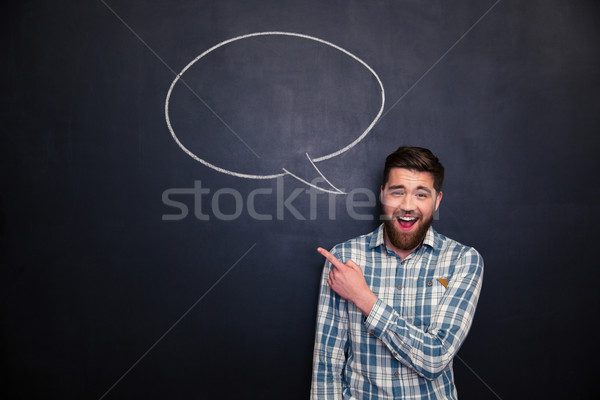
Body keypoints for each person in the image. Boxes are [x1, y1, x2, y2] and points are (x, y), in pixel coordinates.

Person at [310, 146, 484, 399]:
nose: (407, 205)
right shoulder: (344, 259)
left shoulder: (463, 261)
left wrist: (363, 297)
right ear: (382, 195)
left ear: (437, 201)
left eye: (421, 194)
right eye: (397, 192)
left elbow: (434, 359)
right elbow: (327, 361)